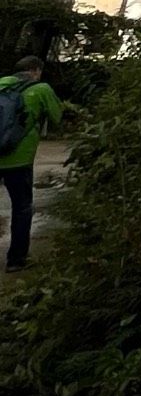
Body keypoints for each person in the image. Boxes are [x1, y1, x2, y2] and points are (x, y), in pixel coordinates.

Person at [0, 55, 63, 271]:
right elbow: (58, 116)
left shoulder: (1, 86)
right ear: (35, 71)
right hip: (19, 159)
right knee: (22, 207)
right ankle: (16, 261)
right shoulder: (41, 89)